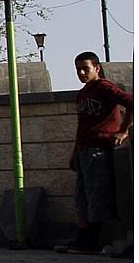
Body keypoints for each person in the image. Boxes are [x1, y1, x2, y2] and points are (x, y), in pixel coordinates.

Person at [54, 52, 132, 254]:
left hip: (100, 148)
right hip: (84, 149)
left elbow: (131, 101)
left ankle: (93, 241)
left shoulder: (104, 87)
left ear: (96, 68)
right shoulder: (83, 94)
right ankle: (82, 239)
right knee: (82, 197)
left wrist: (123, 130)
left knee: (97, 196)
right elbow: (82, 126)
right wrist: (74, 152)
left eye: (85, 69)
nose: (81, 73)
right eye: (78, 69)